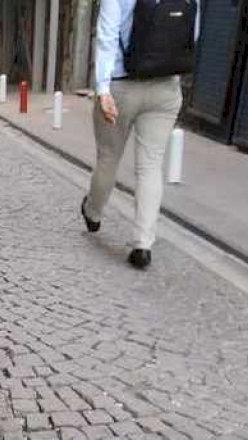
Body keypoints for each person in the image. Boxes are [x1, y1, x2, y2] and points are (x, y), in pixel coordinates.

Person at [82, 0, 200, 269]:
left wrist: (102, 89)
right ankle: (143, 244)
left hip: (122, 86)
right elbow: (191, 33)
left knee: (108, 158)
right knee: (151, 166)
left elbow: (107, 36)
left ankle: (93, 212)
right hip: (166, 88)